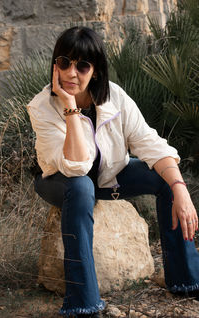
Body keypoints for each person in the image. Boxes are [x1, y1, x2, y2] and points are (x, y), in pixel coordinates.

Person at [27, 26, 199, 318]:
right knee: (81, 186)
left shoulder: (114, 98)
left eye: (82, 65)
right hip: (58, 180)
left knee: (167, 177)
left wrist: (180, 188)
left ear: (95, 71)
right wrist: (70, 109)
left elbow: (151, 144)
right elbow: (75, 166)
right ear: (55, 65)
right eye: (64, 62)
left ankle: (186, 280)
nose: (71, 72)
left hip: (108, 176)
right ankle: (82, 303)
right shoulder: (42, 107)